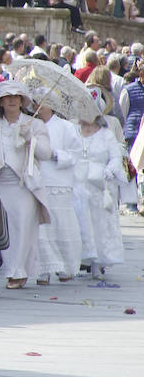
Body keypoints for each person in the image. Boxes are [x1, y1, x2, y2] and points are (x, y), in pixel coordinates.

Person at [0, 81, 51, 289]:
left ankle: (19, 271)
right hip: (0, 183)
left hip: (24, 184)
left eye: (16, 96)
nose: (12, 100)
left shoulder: (35, 124)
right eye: (8, 97)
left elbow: (46, 153)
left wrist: (30, 138)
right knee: (5, 229)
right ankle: (12, 269)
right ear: (2, 102)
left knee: (23, 227)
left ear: (22, 101)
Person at [78, 92, 127, 281]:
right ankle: (79, 259)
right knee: (80, 223)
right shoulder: (74, 131)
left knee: (98, 225)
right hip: (78, 184)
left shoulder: (106, 134)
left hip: (99, 186)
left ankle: (98, 263)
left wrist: (109, 169)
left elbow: (116, 157)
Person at [34, 98, 84, 285]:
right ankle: (43, 269)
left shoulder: (65, 127)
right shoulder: (31, 124)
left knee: (61, 224)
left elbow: (76, 153)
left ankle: (64, 266)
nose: (39, 105)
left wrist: (55, 154)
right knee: (41, 226)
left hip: (59, 180)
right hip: (37, 180)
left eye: (44, 101)